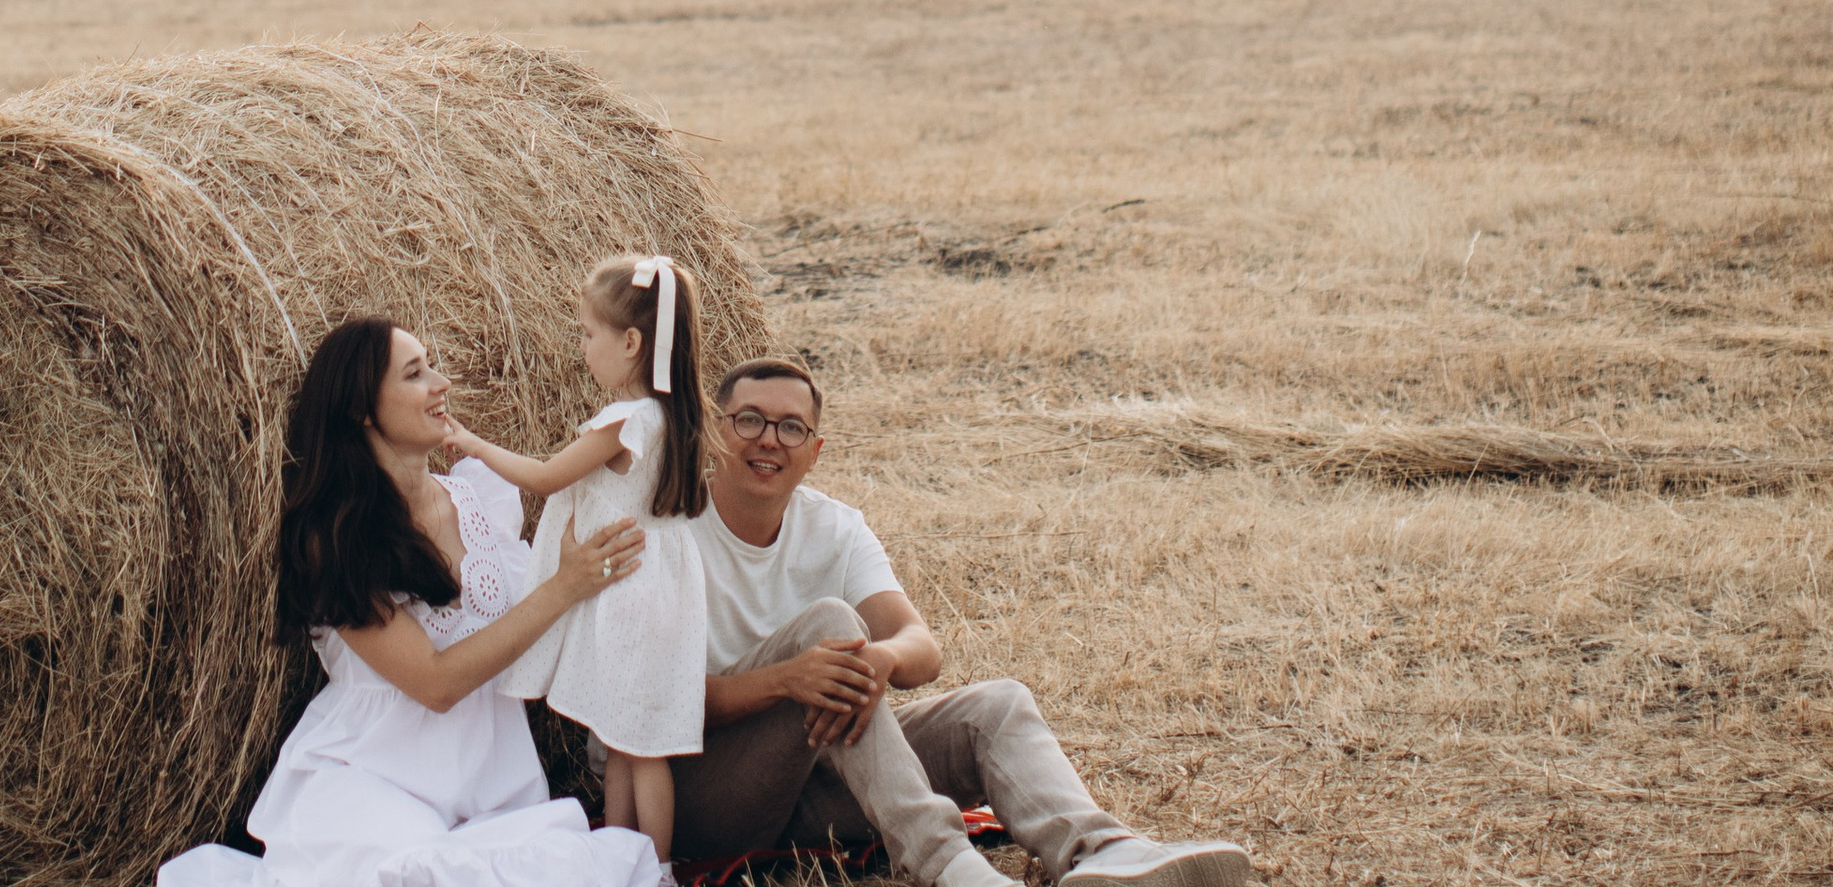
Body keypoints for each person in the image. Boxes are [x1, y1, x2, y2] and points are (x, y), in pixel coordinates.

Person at [677, 358, 1253, 887]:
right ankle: (950, 867)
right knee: (830, 624)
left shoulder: (837, 527)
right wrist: (785, 680)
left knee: (997, 703)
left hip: (816, 787)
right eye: (749, 420)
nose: (768, 440)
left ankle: (1102, 851)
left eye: (791, 427)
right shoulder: (671, 532)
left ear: (815, 449)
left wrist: (884, 658)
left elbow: (921, 647)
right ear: (715, 429)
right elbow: (646, 702)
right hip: (709, 797)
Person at [158, 316, 661, 887]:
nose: (441, 383)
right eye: (415, 374)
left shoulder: (479, 499)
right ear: (361, 410)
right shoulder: (335, 539)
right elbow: (435, 684)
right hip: (372, 780)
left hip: (495, 784)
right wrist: (563, 589)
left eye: (433, 366)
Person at [450, 254, 712, 863]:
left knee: (642, 752)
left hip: (629, 592)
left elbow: (544, 479)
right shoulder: (673, 416)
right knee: (623, 739)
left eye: (587, 334)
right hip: (658, 588)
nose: (582, 348)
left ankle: (656, 870)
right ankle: (615, 859)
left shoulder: (625, 420)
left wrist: (469, 442)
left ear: (630, 342)